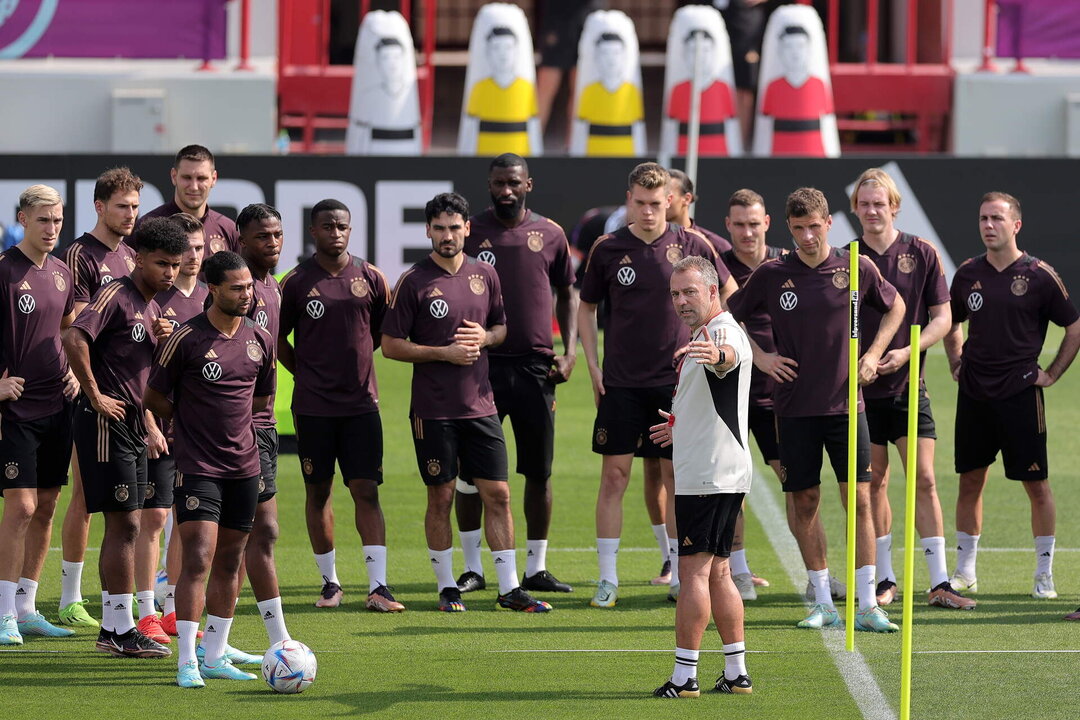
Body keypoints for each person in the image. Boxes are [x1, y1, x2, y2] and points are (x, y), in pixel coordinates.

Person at [727, 187, 906, 632]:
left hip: (848, 408)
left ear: (830, 223)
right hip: (793, 409)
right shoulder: (772, 274)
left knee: (859, 500)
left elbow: (896, 306)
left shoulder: (856, 265)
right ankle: (823, 600)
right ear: (788, 228)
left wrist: (872, 354)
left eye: (815, 226)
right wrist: (762, 357)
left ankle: (867, 604)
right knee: (804, 500)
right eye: (799, 228)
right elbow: (728, 316)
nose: (808, 236)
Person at [381, 191, 550, 614]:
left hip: (481, 405)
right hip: (434, 410)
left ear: (467, 229)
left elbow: (500, 327)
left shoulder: (484, 274)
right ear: (427, 231)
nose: (447, 235)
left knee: (499, 494)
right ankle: (447, 587)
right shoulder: (413, 281)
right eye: (439, 228)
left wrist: (485, 338)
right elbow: (389, 346)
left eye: (454, 227)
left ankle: (509, 589)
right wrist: (443, 353)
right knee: (440, 497)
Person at [578, 162, 736, 608]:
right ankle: (607, 579)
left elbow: (728, 292)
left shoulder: (692, 244)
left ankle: (677, 575)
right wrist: (592, 366)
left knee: (675, 476)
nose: (649, 211)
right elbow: (585, 308)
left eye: (656, 203)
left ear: (670, 200)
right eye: (640, 203)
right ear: (629, 200)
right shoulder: (608, 248)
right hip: (622, 383)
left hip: (677, 384)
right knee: (614, 476)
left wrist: (712, 343)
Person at [145, 251, 277, 687]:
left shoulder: (260, 338)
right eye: (237, 288)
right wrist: (191, 422)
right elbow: (156, 397)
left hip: (245, 466)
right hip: (198, 464)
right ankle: (186, 660)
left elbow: (260, 399)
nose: (247, 294)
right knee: (198, 558)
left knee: (231, 560)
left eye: (250, 287)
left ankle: (216, 653)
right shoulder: (186, 338)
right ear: (213, 288)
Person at [943, 192, 1080, 607]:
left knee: (1036, 485)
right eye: (983, 218)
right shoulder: (967, 274)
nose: (989, 225)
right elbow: (950, 321)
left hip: (1021, 395)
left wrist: (1052, 373)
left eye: (997, 218)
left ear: (1015, 225)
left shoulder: (1039, 275)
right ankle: (965, 572)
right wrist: (956, 360)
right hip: (974, 395)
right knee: (970, 481)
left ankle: (1043, 574)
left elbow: (1073, 327)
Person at [851, 169, 975, 611]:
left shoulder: (921, 252)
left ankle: (941, 581)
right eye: (864, 204)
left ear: (894, 206)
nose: (871, 211)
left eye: (878, 203)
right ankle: (885, 578)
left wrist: (908, 351)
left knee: (923, 479)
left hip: (909, 385)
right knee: (876, 483)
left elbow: (944, 318)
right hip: (863, 393)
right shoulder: (847, 257)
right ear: (855, 209)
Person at [62, 217, 187, 658]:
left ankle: (115, 626)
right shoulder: (117, 293)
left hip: (132, 426)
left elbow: (139, 368)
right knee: (125, 522)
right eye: (161, 264)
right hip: (104, 424)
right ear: (137, 258)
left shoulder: (152, 307)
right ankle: (117, 628)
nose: (170, 273)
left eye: (175, 264)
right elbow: (74, 335)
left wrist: (161, 343)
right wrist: (94, 395)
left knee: (127, 523)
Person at [455, 154, 578, 595]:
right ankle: (472, 568)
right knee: (470, 474)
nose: (505, 190)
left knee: (538, 471)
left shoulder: (550, 233)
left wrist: (570, 351)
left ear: (529, 184)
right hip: (480, 366)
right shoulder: (472, 231)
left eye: (513, 183)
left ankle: (536, 568)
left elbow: (569, 293)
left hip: (534, 367)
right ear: (488, 184)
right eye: (498, 183)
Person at [278, 199, 403, 613]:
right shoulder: (295, 283)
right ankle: (330, 582)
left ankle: (379, 585)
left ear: (351, 230)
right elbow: (277, 340)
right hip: (313, 407)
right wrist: (304, 373)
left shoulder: (371, 277)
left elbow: (385, 332)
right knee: (319, 492)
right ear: (313, 231)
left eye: (343, 226)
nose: (336, 233)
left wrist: (360, 366)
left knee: (365, 490)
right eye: (328, 226)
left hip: (361, 405)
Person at [650, 256, 753, 698]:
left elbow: (727, 358)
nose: (681, 301)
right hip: (721, 471)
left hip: (707, 476)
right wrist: (678, 424)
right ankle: (735, 673)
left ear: (713, 291)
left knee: (692, 574)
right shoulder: (706, 333)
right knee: (719, 573)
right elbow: (715, 397)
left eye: (689, 291)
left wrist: (717, 355)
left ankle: (684, 677)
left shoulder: (721, 333)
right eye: (675, 293)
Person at [58, 167, 142, 628]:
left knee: (117, 500)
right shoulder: (80, 255)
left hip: (126, 392)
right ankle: (71, 595)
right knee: (84, 492)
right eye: (121, 207)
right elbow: (73, 320)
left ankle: (123, 604)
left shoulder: (133, 255)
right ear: (98, 207)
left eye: (134, 206)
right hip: (87, 386)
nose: (130, 215)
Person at [0, 185, 80, 645]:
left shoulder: (62, 273)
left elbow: (66, 330)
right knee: (22, 505)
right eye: (43, 220)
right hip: (16, 411)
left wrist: (71, 370)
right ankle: (4, 612)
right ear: (23, 219)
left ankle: (27, 607)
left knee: (47, 506)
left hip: (57, 405)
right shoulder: (5, 272)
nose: (52, 229)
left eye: (57, 220)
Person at [136, 213, 208, 644]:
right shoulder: (153, 298)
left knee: (187, 519)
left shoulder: (209, 297)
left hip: (198, 432)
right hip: (157, 426)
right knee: (154, 516)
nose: (193, 258)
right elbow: (133, 369)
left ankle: (174, 611)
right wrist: (147, 422)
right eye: (187, 251)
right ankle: (145, 613)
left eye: (199, 249)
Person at [719, 188, 789, 601]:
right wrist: (757, 356)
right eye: (739, 224)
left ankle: (817, 574)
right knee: (732, 485)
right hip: (732, 390)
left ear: (767, 223)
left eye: (754, 223)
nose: (747, 232)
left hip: (780, 394)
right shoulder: (718, 268)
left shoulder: (786, 263)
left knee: (796, 481)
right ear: (728, 226)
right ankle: (739, 572)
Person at [233, 204, 296, 647]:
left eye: (276, 235)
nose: (272, 243)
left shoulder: (274, 288)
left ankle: (220, 640)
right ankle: (206, 638)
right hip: (231, 429)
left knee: (262, 531)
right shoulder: (231, 290)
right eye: (262, 237)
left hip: (264, 424)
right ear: (241, 239)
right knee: (231, 539)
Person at [139, 144, 239, 255]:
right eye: (187, 177)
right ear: (173, 176)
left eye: (201, 178)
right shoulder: (145, 228)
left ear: (214, 179)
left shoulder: (229, 230)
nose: (194, 187)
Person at [461, 26, 542, 156]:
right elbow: (471, 128)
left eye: (508, 47)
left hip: (520, 159)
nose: (503, 53)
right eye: (496, 47)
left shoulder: (526, 86)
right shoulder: (479, 87)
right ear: (487, 51)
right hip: (484, 158)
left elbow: (532, 126)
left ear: (517, 51)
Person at [758, 25, 837, 157]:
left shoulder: (818, 84)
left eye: (801, 46)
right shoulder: (773, 86)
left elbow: (827, 116)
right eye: (789, 46)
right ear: (780, 50)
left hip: (815, 153)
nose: (795, 52)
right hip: (779, 153)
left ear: (810, 49)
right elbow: (765, 116)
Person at [663, 29, 738, 156]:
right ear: (684, 53)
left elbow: (731, 126)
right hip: (684, 151)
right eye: (693, 50)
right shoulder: (678, 89)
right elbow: (671, 127)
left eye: (706, 50)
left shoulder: (723, 87)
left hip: (718, 153)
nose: (699, 56)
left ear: (714, 53)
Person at [573, 32, 645, 156]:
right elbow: (581, 127)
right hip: (594, 152)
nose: (611, 59)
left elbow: (638, 127)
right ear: (596, 56)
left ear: (625, 56)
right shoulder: (589, 90)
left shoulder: (632, 90)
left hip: (626, 152)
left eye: (616, 53)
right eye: (605, 53)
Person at [667, 170, 732, 253]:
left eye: (668, 196)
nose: (663, 202)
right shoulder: (648, 242)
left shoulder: (715, 246)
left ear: (687, 199)